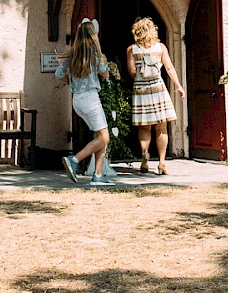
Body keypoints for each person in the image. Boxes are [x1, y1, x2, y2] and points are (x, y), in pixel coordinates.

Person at [55, 18, 114, 185]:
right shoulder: (95, 56)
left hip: (77, 100)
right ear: (93, 37)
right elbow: (105, 74)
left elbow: (59, 74)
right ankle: (74, 160)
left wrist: (72, 83)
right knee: (105, 137)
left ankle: (98, 174)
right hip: (91, 99)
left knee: (99, 135)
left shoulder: (71, 55)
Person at [126, 17, 184, 175]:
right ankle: (162, 162)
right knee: (162, 127)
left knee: (145, 127)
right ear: (153, 31)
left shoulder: (132, 49)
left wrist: (140, 73)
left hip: (141, 90)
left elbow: (131, 72)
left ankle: (144, 155)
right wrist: (178, 86)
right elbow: (169, 67)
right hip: (158, 88)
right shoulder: (161, 48)